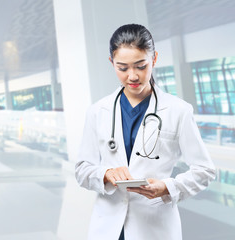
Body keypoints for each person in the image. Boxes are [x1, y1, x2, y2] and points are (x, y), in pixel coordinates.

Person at [75, 24, 216, 240]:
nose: (132, 76)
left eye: (141, 66)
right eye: (122, 68)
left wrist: (168, 188)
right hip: (109, 228)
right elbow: (82, 169)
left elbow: (205, 170)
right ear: (111, 62)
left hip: (155, 228)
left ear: (154, 59)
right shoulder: (97, 111)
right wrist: (105, 174)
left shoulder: (178, 110)